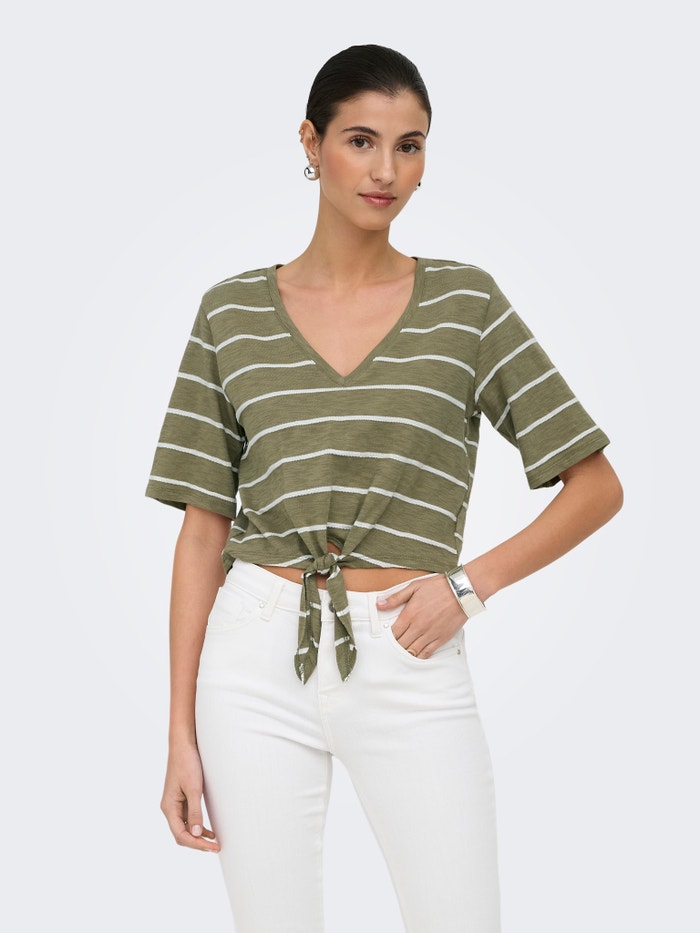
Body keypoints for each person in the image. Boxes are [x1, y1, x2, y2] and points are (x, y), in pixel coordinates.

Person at [145, 44, 623, 933]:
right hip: (252, 655)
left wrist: (468, 587)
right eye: (361, 141)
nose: (386, 171)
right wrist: (179, 732)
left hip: (410, 648)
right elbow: (203, 531)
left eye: (410, 146)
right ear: (311, 142)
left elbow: (596, 485)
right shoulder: (229, 313)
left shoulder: (466, 306)